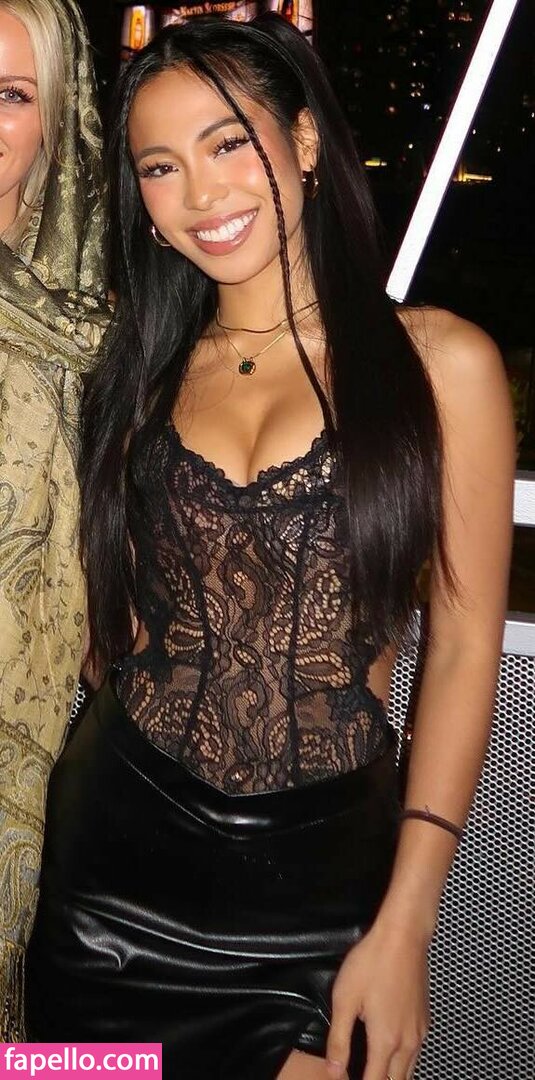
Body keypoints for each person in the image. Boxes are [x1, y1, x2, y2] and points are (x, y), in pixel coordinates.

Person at [25, 14, 514, 1080]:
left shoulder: (439, 365)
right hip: (107, 882)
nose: (201, 194)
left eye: (228, 142)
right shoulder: (134, 372)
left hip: (327, 889)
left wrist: (408, 923)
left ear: (301, 141)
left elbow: (464, 644)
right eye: (160, 166)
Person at [0, 0, 109, 1041]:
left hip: (34, 758)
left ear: (57, 118)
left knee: (71, 1055)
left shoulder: (100, 322)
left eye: (10, 94)